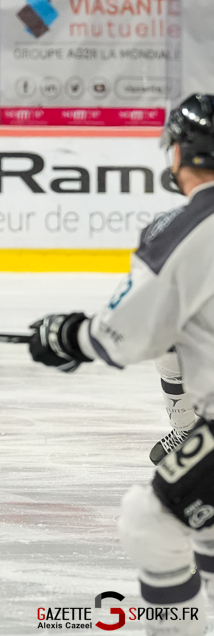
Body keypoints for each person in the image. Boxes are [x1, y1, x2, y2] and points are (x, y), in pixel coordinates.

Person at [28, 94, 214, 635]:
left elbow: (125, 336)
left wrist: (69, 336)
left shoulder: (187, 227)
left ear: (178, 152)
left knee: (148, 520)